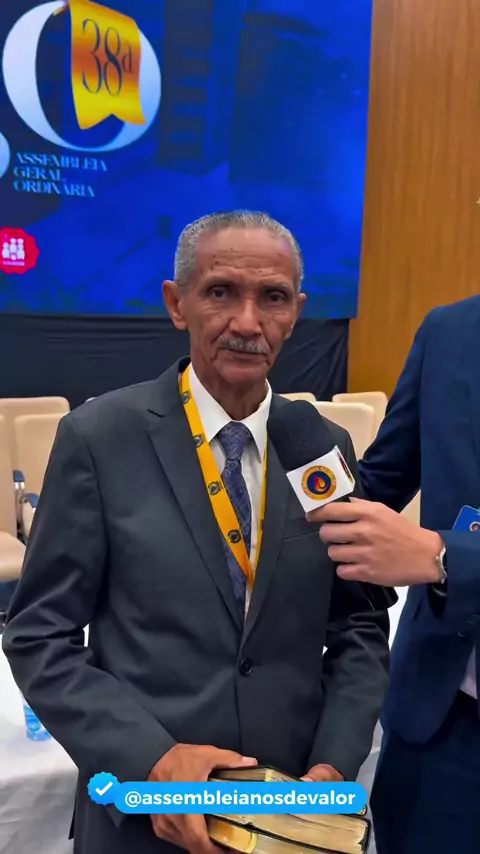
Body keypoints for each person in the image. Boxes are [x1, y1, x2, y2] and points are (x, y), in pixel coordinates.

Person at [2, 211, 392, 854]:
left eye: (272, 298)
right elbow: (39, 635)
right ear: (176, 303)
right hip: (147, 817)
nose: (247, 322)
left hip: (289, 812)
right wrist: (150, 760)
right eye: (220, 292)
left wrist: (332, 767)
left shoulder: (321, 447)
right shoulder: (100, 440)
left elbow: (358, 625)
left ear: (296, 312)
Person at [309, 295, 480, 853]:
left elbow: (434, 552)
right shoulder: (450, 331)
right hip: (440, 720)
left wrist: (446, 557)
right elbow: (383, 478)